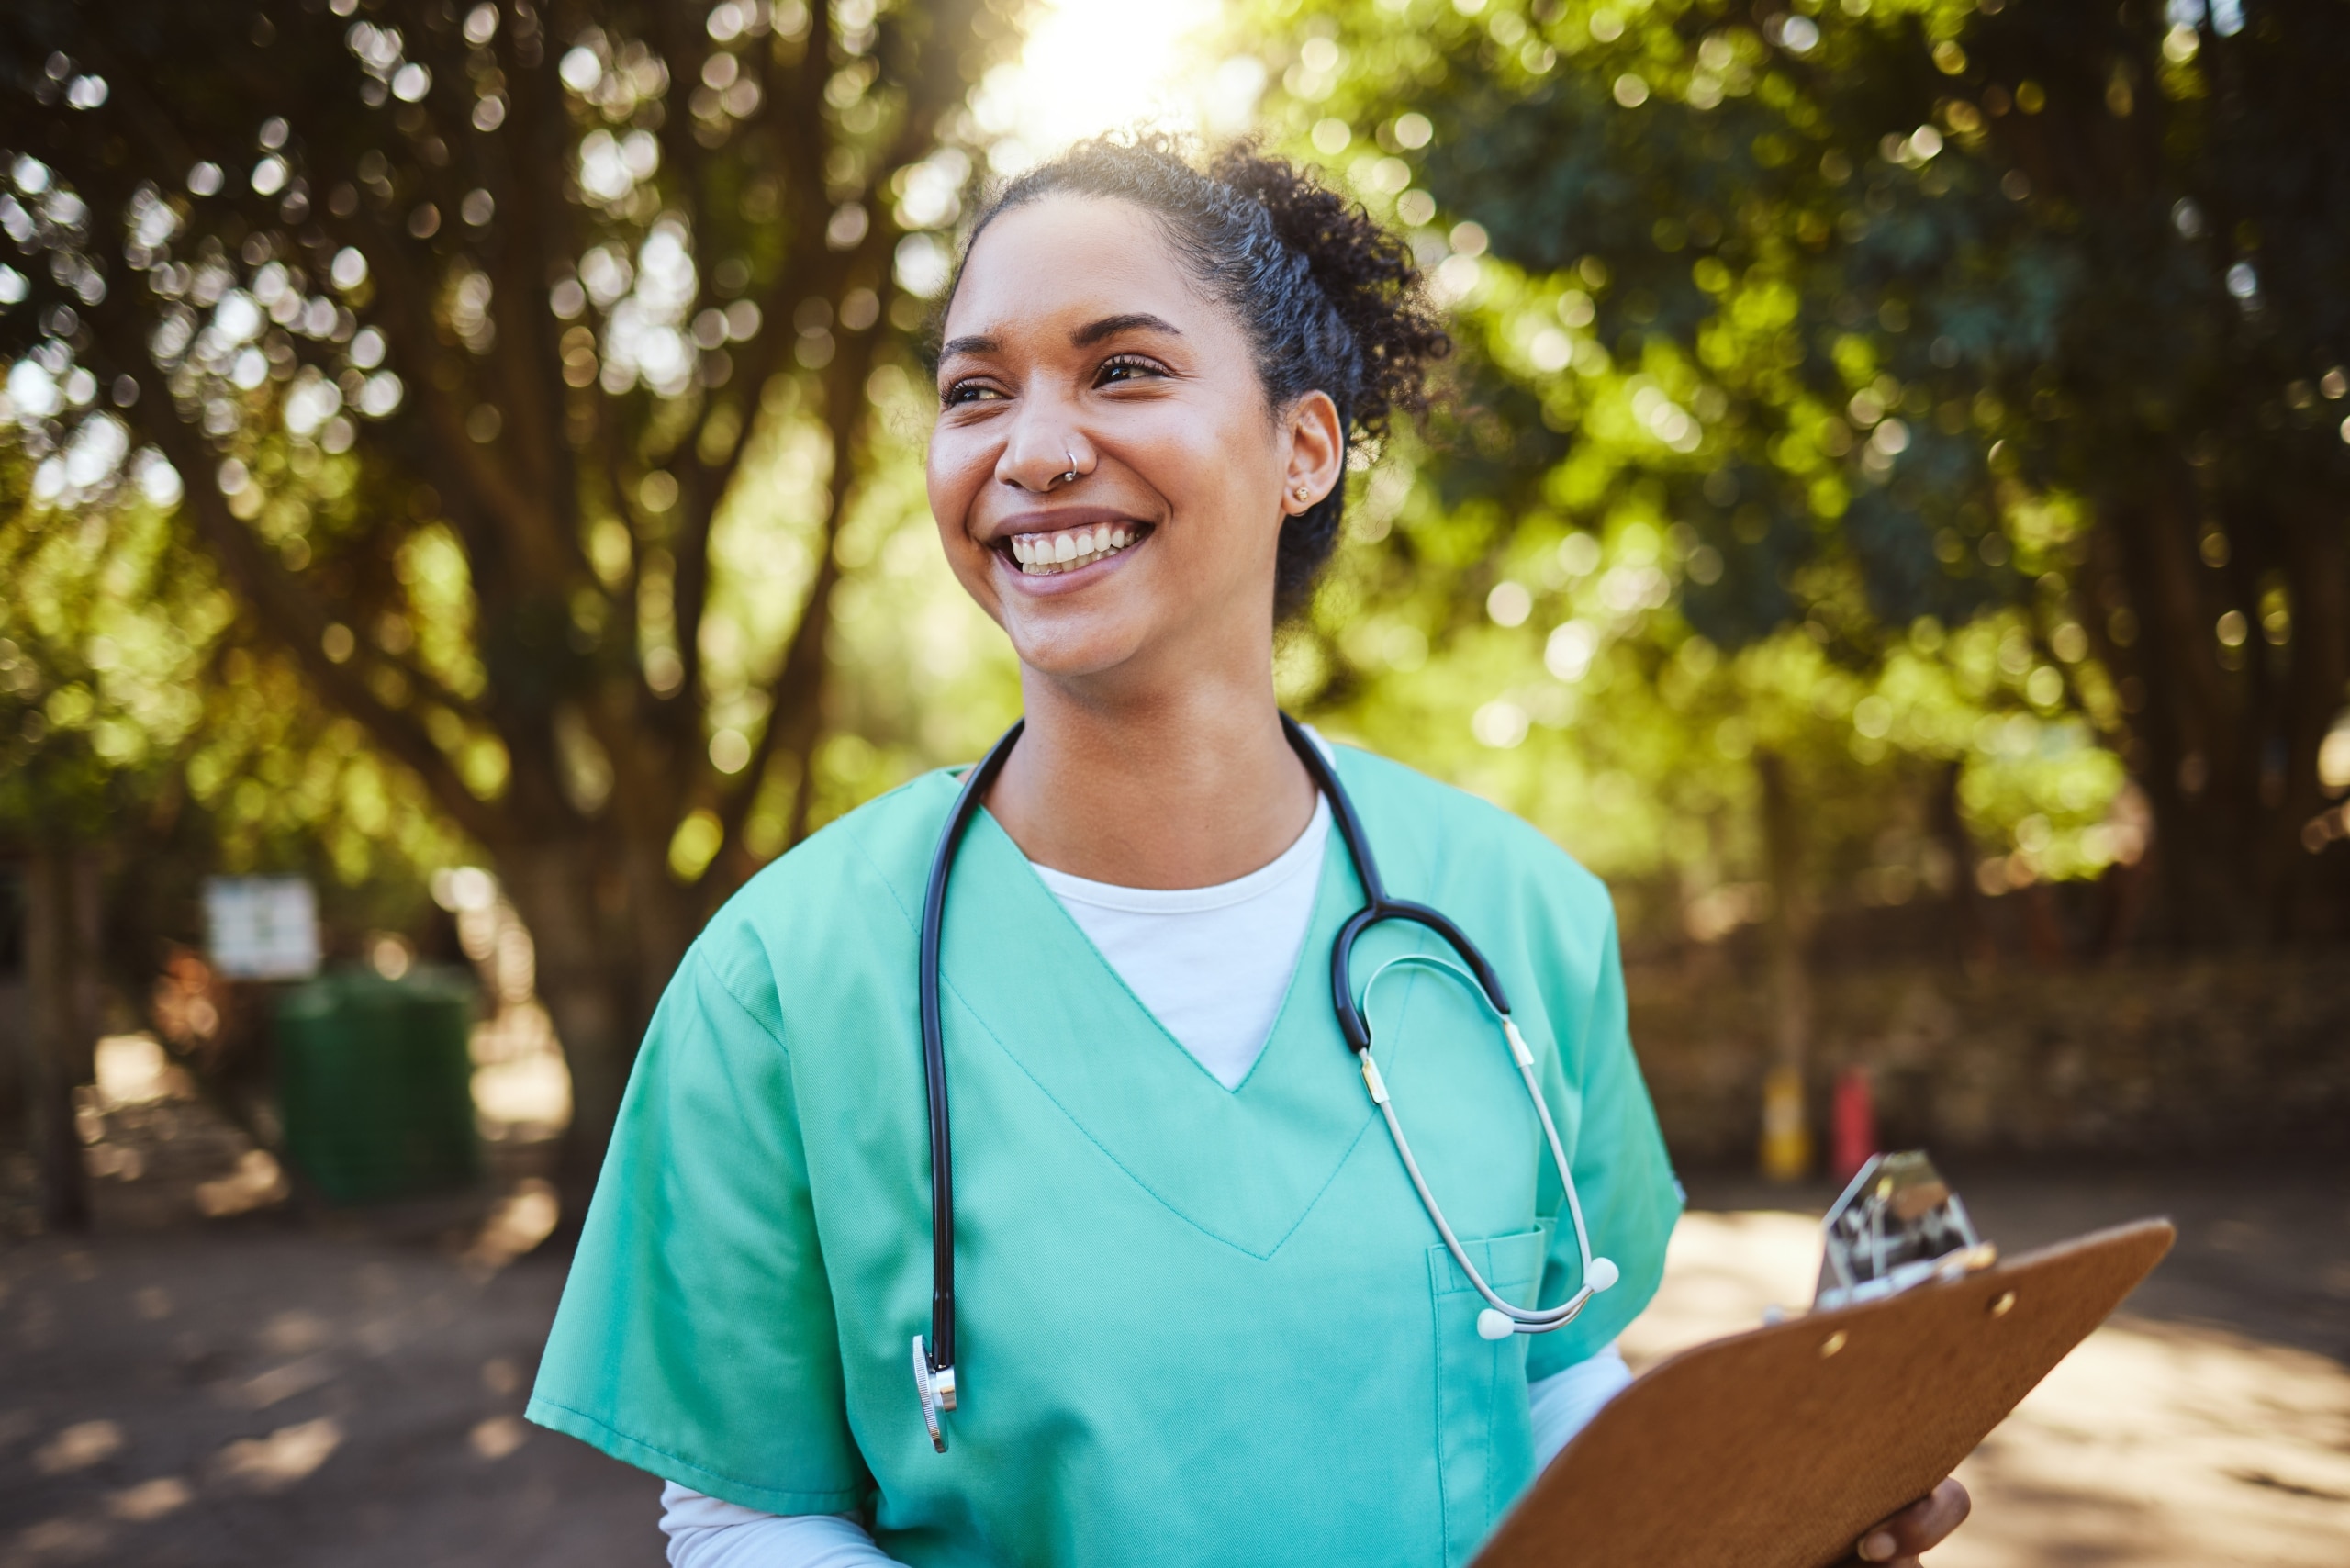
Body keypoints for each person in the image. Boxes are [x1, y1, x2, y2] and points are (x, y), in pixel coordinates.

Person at [526, 133, 1970, 1568]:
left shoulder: (1516, 914)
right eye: (976, 392)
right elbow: (745, 1511)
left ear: (1304, 447)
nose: (1030, 449)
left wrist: (1765, 1506)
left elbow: (1545, 1383)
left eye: (1122, 370)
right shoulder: (781, 980)